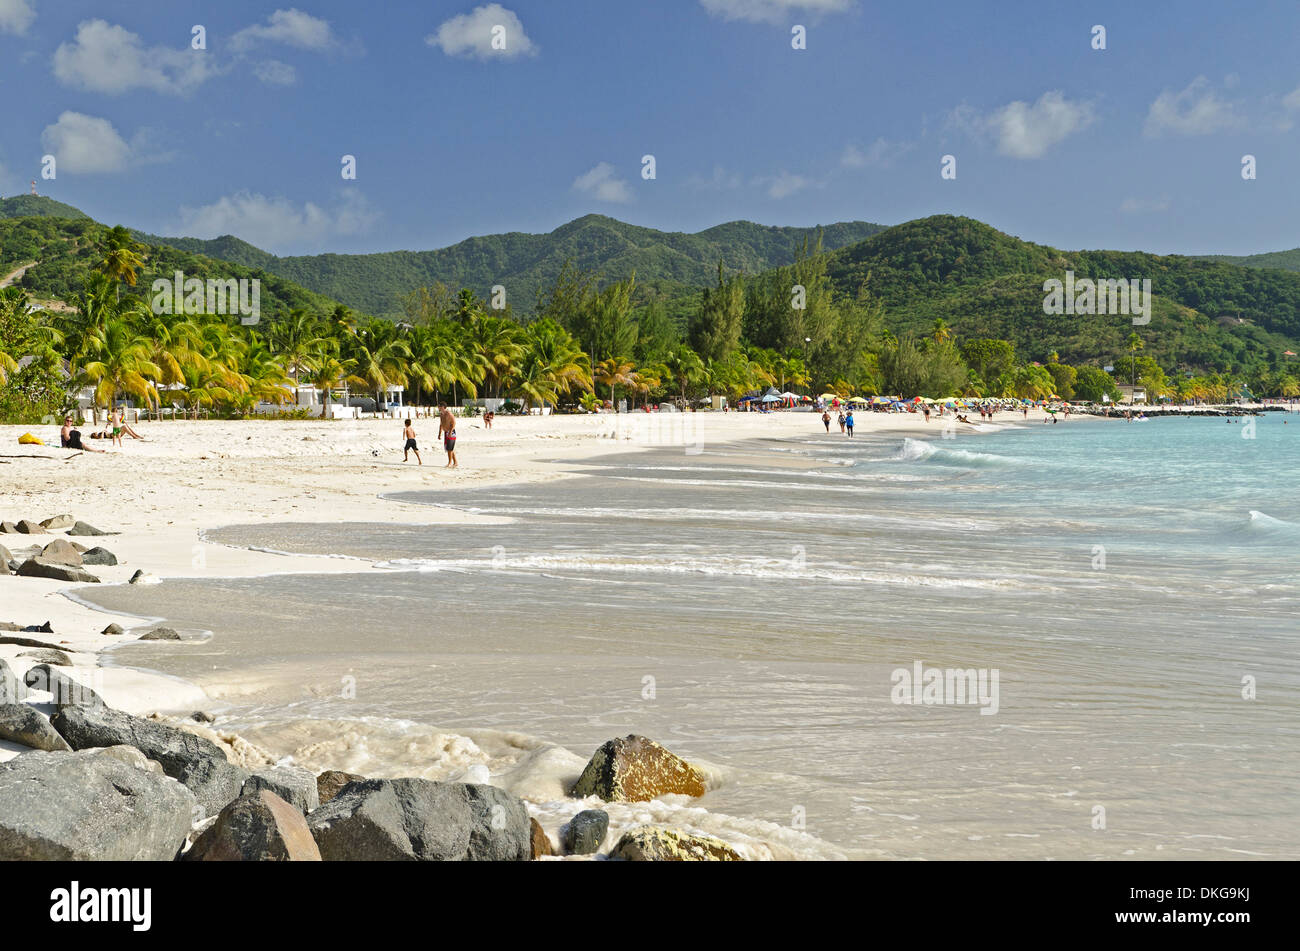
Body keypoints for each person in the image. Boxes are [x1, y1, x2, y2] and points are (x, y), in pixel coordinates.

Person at [437, 401, 458, 468]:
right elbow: (441, 424)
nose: (438, 407)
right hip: (446, 432)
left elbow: (454, 423)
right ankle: (455, 462)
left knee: (449, 449)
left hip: (451, 432)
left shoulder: (448, 413)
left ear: (443, 407)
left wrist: (450, 432)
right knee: (450, 448)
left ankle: (449, 463)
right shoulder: (441, 414)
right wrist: (439, 433)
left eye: (439, 406)